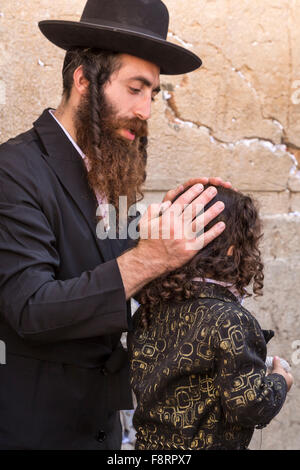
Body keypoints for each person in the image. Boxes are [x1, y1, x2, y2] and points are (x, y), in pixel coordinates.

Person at [0, 0, 230, 450]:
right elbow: (30, 307)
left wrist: (162, 231)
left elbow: (111, 259)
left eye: (153, 94)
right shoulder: (13, 170)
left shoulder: (113, 168)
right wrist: (148, 257)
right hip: (35, 431)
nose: (146, 110)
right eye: (135, 88)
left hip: (103, 428)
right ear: (83, 79)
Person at [128, 185, 294, 450]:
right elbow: (250, 405)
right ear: (232, 250)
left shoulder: (150, 310)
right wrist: (279, 380)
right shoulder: (230, 319)